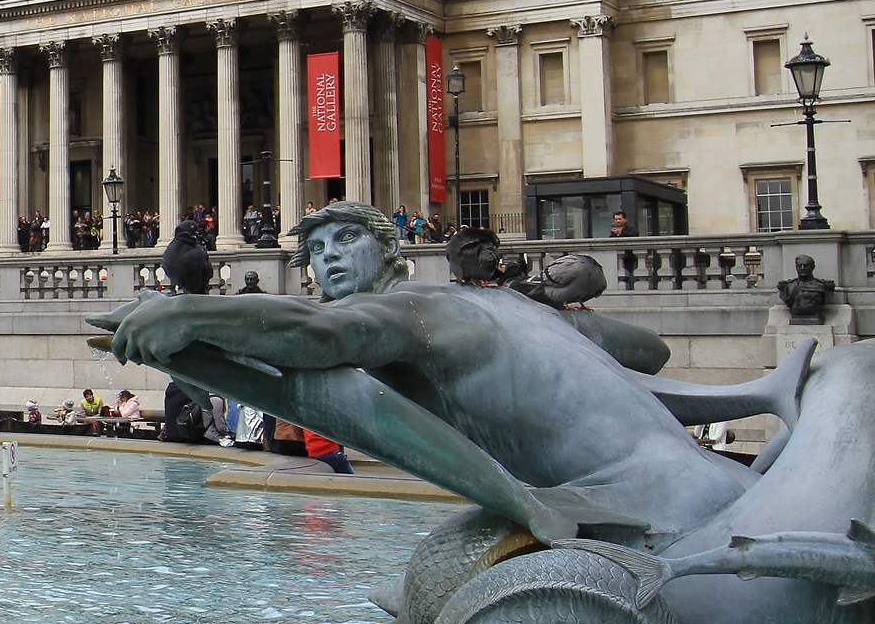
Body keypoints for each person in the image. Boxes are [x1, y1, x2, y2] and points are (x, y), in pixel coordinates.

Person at [101, 200, 752, 541]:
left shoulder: (408, 312)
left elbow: (313, 336)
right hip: (719, 494)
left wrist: (191, 315)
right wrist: (547, 315)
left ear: (390, 250)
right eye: (317, 250)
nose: (327, 259)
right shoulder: (481, 304)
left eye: (345, 241)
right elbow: (647, 354)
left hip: (655, 517)